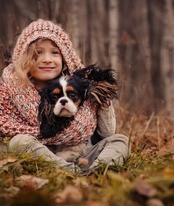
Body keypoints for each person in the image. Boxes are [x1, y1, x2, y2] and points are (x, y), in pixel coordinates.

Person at [0, 19, 130, 173]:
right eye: (38, 53)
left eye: (55, 52)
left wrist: (103, 103)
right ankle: (71, 173)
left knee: (120, 140)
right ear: (24, 59)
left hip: (84, 155)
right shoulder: (9, 92)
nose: (47, 59)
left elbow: (107, 134)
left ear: (65, 58)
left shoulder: (81, 85)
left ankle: (99, 170)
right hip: (43, 157)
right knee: (19, 141)